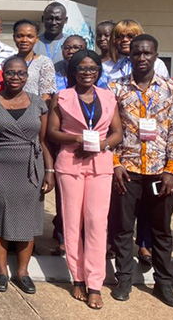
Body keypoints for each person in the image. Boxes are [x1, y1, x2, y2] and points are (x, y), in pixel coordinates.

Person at [109, 34, 173, 308]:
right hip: (127, 170)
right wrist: (115, 164)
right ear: (130, 56)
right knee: (122, 227)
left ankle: (164, 283)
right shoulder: (116, 88)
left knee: (162, 230)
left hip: (160, 172)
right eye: (137, 53)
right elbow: (109, 129)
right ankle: (124, 279)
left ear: (156, 55)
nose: (142, 58)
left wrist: (172, 169)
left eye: (147, 53)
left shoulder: (172, 88)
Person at [47, 50, 122, 310]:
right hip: (70, 163)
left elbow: (117, 132)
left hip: (100, 164)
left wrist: (102, 144)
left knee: (96, 223)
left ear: (99, 71)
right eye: (82, 68)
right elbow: (52, 133)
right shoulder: (63, 97)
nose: (87, 72)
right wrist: (77, 139)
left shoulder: (108, 97)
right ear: (73, 71)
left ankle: (94, 284)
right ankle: (77, 277)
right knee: (71, 222)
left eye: (92, 68)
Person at [0, 56, 54, 295]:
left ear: (27, 76)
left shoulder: (38, 104)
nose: (16, 77)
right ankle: (1, 271)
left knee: (27, 219)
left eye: (21, 73)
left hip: (31, 169)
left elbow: (42, 141)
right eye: (10, 73)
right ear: (4, 75)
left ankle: (23, 272)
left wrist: (49, 170)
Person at [103, 19, 169, 82]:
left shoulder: (157, 64)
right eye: (119, 37)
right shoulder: (105, 67)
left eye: (130, 36)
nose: (124, 40)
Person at [13, 20, 55, 102]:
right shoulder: (8, 62)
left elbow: (46, 95)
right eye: (20, 36)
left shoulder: (45, 62)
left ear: (36, 39)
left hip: (36, 111)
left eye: (30, 36)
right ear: (14, 37)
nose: (24, 40)